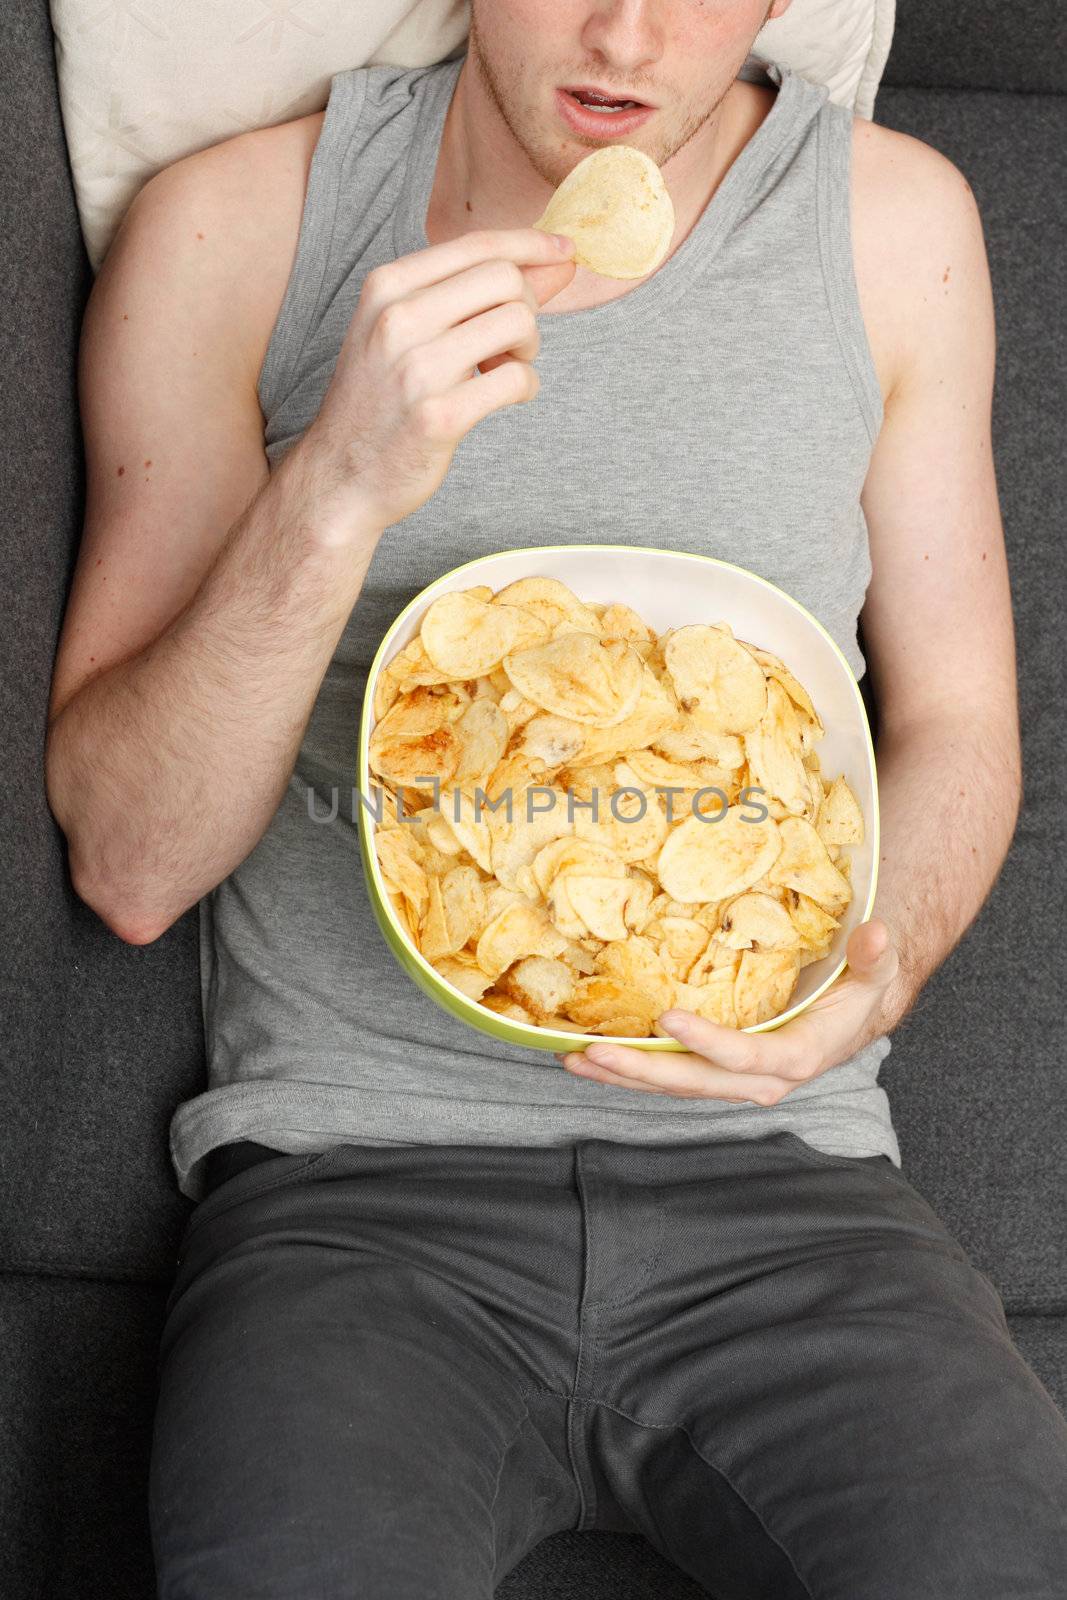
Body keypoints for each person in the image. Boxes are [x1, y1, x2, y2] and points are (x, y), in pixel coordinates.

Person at [44, 0, 1067, 1593]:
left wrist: (875, 977)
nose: (627, 32)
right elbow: (129, 863)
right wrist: (338, 488)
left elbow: (959, 723)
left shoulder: (892, 226)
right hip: (355, 1201)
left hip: (793, 1190)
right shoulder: (237, 227)